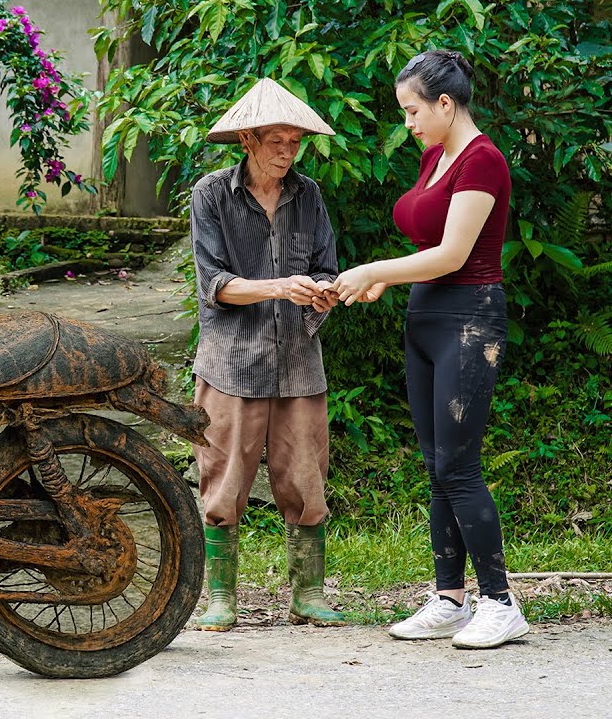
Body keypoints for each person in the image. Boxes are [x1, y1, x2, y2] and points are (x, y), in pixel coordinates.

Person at [330, 50, 530, 649]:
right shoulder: (434, 157)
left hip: (470, 322)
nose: (408, 123)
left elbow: (453, 255)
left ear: (446, 103)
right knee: (436, 467)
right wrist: (388, 279)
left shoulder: (483, 161)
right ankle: (449, 599)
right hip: (426, 318)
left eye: (413, 110)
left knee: (459, 467)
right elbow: (428, 238)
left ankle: (500, 602)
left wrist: (372, 267)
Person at [189, 78, 344, 631]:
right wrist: (280, 285)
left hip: (299, 360)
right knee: (223, 477)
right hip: (232, 362)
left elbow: (326, 268)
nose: (287, 151)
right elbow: (215, 285)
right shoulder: (211, 194)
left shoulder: (310, 196)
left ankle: (308, 594)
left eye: (294, 141)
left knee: (306, 475)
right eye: (275, 140)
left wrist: (323, 291)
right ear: (247, 140)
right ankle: (221, 597)